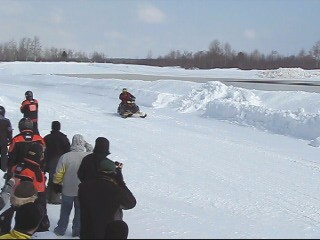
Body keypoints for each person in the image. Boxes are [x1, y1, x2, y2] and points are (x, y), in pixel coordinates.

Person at [78, 158, 136, 239]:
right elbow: (131, 203)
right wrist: (120, 181)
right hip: (108, 232)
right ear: (113, 172)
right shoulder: (116, 190)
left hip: (87, 231)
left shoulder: (84, 186)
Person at [52, 134, 92, 237]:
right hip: (82, 190)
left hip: (67, 189)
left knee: (65, 210)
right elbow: (92, 150)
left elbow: (59, 173)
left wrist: (57, 183)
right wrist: (86, 144)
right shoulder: (87, 156)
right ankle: (77, 231)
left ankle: (61, 229)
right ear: (82, 143)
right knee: (79, 212)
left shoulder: (65, 156)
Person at [11, 144, 50, 232]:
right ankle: (41, 226)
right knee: (38, 211)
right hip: (32, 197)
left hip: (17, 194)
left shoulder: (19, 165)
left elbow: (13, 173)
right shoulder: (36, 170)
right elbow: (40, 188)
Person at [43, 121, 71, 204]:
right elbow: (67, 151)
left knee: (51, 178)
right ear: (59, 127)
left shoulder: (47, 138)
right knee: (57, 179)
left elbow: (43, 150)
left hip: (49, 160)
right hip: (60, 160)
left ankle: (47, 196)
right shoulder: (64, 138)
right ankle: (54, 198)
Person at [0, 106, 13, 172]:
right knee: (4, 155)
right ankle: (3, 168)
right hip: (4, 142)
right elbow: (9, 131)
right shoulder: (7, 121)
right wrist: (10, 139)